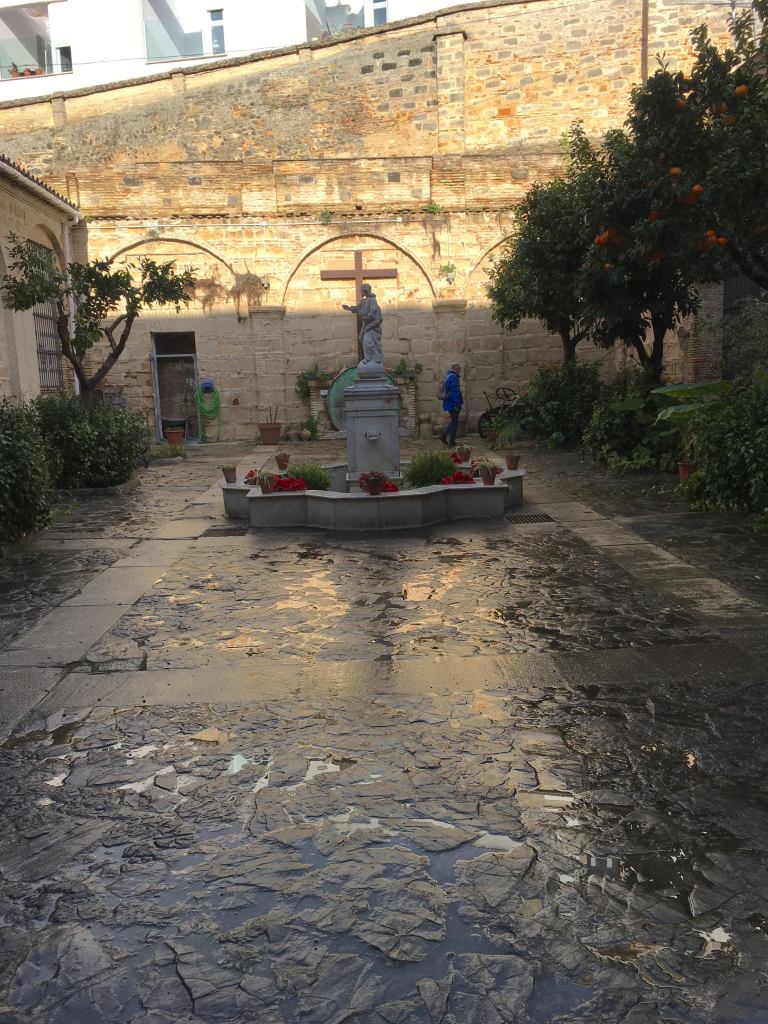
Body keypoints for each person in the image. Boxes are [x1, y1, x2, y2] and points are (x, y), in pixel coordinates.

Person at [342, 283, 383, 367]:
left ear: (365, 291)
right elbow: (358, 308)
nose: (361, 292)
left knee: (369, 341)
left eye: (362, 291)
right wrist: (349, 308)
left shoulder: (372, 300)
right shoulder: (363, 301)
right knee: (363, 338)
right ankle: (368, 358)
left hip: (372, 325)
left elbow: (373, 310)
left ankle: (375, 358)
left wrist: (368, 317)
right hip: (367, 324)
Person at [439, 362, 463, 446]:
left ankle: (443, 435)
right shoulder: (453, 377)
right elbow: (454, 393)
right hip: (453, 403)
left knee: (454, 421)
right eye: (459, 370)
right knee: (454, 422)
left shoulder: (447, 376)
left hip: (448, 403)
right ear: (456, 369)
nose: (459, 372)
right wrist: (456, 405)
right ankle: (451, 442)